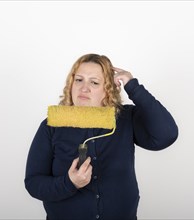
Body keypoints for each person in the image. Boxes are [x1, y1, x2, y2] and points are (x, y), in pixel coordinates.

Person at [25, 53, 178, 220]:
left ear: (108, 90)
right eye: (79, 80)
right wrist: (70, 183)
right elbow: (33, 183)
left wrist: (133, 87)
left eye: (94, 82)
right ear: (71, 84)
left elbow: (166, 135)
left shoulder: (125, 119)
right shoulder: (51, 125)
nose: (84, 88)